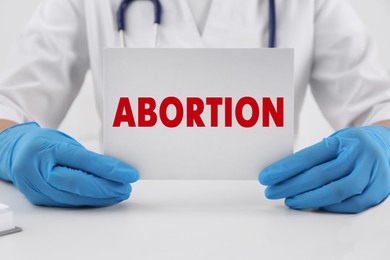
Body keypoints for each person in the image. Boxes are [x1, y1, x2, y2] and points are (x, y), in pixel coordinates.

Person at [0, 0, 389, 213]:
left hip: (271, 215)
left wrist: (382, 143)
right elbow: (9, 105)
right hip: (124, 214)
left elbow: (380, 106)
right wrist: (12, 144)